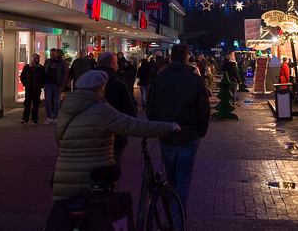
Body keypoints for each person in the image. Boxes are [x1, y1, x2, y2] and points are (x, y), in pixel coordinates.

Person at [51, 70, 179, 201]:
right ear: (99, 88)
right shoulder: (101, 110)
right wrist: (169, 127)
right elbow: (133, 126)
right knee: (101, 215)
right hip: (93, 176)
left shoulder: (65, 109)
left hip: (63, 176)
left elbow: (59, 138)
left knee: (66, 216)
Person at [146, 44, 211, 214]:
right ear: (186, 57)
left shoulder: (159, 79)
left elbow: (150, 108)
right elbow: (204, 109)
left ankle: (172, 213)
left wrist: (157, 128)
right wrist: (201, 131)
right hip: (189, 136)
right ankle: (178, 219)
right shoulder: (194, 79)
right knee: (184, 179)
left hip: (167, 136)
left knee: (172, 177)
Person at [97, 51, 136, 164]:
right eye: (117, 63)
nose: (118, 66)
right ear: (112, 64)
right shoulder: (120, 83)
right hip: (115, 134)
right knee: (113, 167)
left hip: (91, 133)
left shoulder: (86, 81)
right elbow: (131, 110)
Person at [20, 53, 46, 125]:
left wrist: (41, 85)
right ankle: (25, 119)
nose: (38, 60)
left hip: (37, 89)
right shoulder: (27, 67)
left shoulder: (41, 68)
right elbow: (22, 77)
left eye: (38, 59)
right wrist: (25, 84)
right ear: (32, 59)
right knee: (27, 104)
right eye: (36, 59)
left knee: (36, 105)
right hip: (29, 89)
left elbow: (44, 77)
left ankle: (35, 119)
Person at [44, 48, 67, 124]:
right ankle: (49, 117)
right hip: (48, 83)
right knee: (47, 100)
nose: (52, 56)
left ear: (57, 54)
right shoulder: (48, 62)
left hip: (57, 84)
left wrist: (62, 84)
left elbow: (64, 73)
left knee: (56, 101)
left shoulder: (61, 62)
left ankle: (56, 117)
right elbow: (44, 71)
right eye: (51, 54)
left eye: (53, 54)